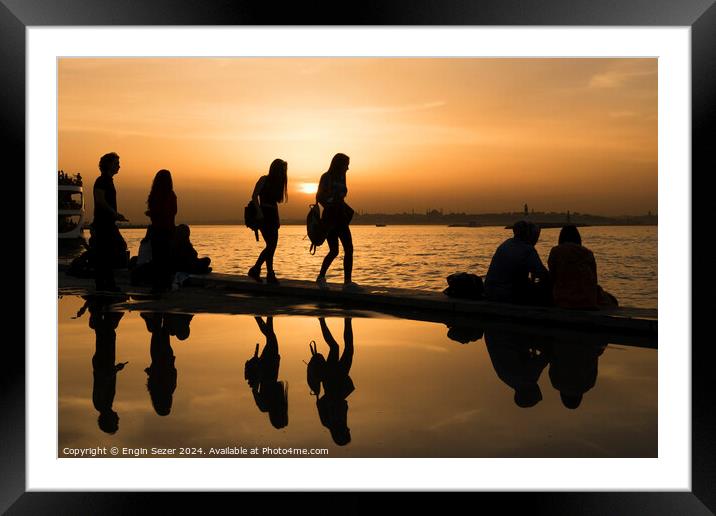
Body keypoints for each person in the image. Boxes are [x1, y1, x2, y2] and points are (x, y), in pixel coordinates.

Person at [547, 225, 619, 309]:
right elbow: (594, 280)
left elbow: (552, 278)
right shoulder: (588, 253)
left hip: (563, 301)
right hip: (588, 302)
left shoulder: (556, 251)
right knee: (612, 300)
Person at [315, 153, 358, 290]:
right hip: (330, 217)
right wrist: (330, 204)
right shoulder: (326, 177)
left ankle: (347, 282)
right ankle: (322, 278)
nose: (348, 168)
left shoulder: (342, 177)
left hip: (340, 216)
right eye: (346, 165)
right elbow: (319, 197)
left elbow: (341, 196)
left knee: (347, 248)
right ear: (339, 164)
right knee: (335, 250)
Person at [484, 220, 550, 305]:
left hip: (490, 291)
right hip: (506, 294)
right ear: (529, 235)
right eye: (536, 237)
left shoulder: (506, 244)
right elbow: (543, 274)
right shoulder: (527, 250)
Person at [91, 152, 128, 291]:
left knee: (108, 252)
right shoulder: (101, 181)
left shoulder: (108, 181)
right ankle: (105, 284)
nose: (119, 166)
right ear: (108, 165)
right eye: (116, 163)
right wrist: (115, 213)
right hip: (103, 223)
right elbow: (100, 200)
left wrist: (116, 215)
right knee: (108, 252)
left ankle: (106, 283)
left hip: (108, 222)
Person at [247, 159, 288, 285]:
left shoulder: (278, 183)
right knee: (271, 245)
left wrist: (278, 219)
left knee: (272, 246)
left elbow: (275, 203)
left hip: (273, 215)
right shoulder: (264, 179)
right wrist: (259, 212)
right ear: (275, 169)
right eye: (281, 170)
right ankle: (258, 270)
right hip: (263, 215)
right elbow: (254, 196)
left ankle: (266, 273)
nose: (283, 173)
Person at [145, 170, 177, 293]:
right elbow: (172, 212)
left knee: (157, 258)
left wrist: (151, 213)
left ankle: (157, 284)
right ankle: (166, 283)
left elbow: (157, 212)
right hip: (168, 230)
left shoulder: (154, 195)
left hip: (157, 230)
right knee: (166, 258)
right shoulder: (171, 195)